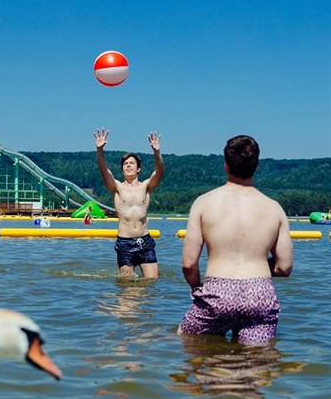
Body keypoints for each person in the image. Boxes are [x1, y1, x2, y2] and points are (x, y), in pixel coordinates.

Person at [178, 135, 293, 344]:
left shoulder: (204, 203)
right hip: (259, 293)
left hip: (217, 291)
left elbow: (188, 264)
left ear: (226, 165)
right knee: (255, 364)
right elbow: (284, 267)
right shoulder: (274, 208)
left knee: (190, 344)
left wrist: (196, 288)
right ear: (256, 165)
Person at [94, 128, 164, 278]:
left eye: (132, 163)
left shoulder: (146, 186)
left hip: (144, 240)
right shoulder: (116, 187)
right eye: (125, 164)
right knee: (127, 289)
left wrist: (157, 152)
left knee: (152, 282)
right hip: (124, 242)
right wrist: (100, 150)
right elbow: (103, 170)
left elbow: (159, 172)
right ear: (122, 170)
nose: (128, 165)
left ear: (138, 169)